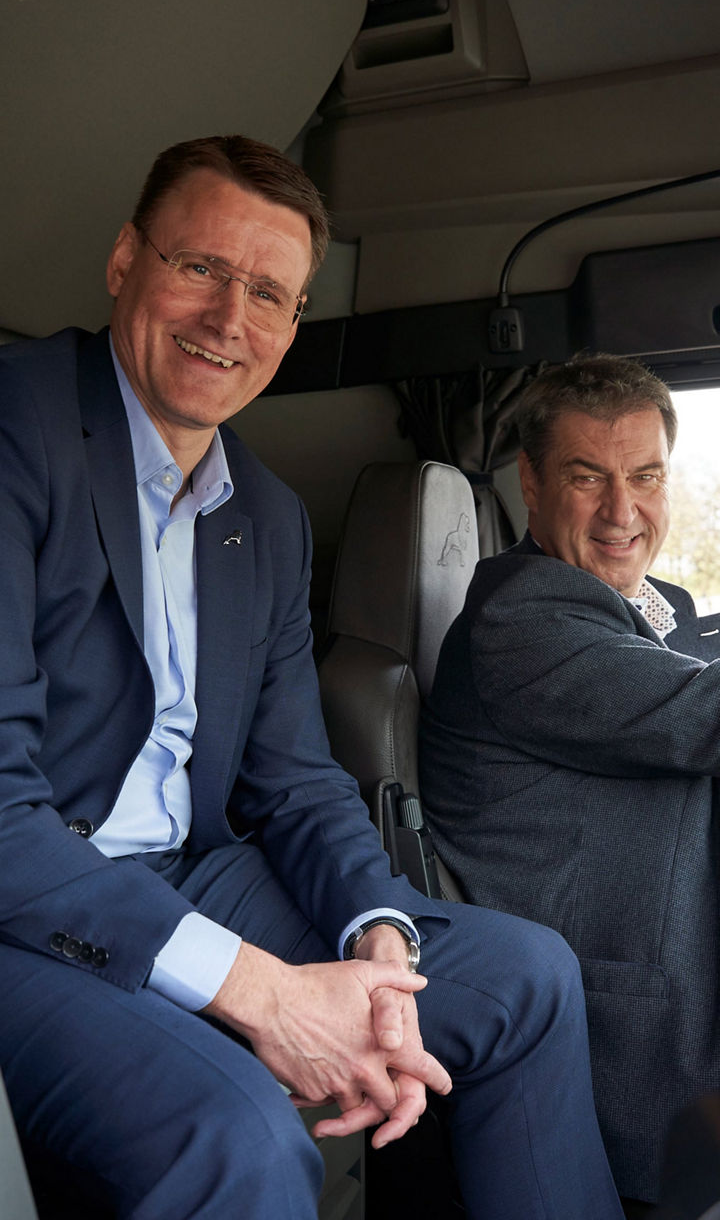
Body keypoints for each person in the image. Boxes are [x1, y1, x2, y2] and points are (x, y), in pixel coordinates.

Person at [0, 136, 622, 1220]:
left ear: (291, 329)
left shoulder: (267, 517)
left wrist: (375, 936)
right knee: (235, 1132)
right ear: (122, 263)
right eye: (199, 266)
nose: (227, 318)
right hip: (27, 902)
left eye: (268, 293)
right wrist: (266, 994)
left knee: (526, 976)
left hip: (190, 872)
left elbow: (295, 779)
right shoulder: (17, 427)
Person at [420, 352, 720, 1207]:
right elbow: (701, 714)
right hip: (631, 1023)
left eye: (646, 477)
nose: (623, 511)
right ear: (532, 481)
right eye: (588, 478)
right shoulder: (524, 617)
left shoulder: (636, 604)